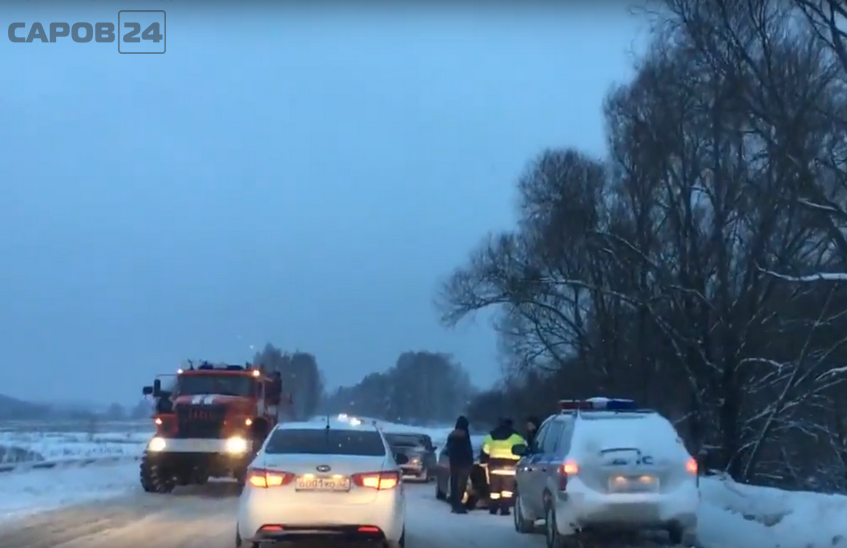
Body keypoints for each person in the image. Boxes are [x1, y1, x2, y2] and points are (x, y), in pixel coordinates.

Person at [480, 418, 526, 516]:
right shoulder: (517, 437)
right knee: (507, 490)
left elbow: (485, 450)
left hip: (494, 467)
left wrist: (484, 460)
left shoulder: (491, 436)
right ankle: (505, 509)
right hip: (510, 467)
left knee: (494, 490)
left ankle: (493, 508)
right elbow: (523, 449)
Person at [445, 415, 474, 514]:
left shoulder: (452, 435)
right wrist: (470, 460)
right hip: (464, 463)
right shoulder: (465, 435)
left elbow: (448, 448)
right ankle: (459, 504)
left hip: (454, 462)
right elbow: (467, 450)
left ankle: (455, 504)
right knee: (461, 484)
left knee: (454, 483)